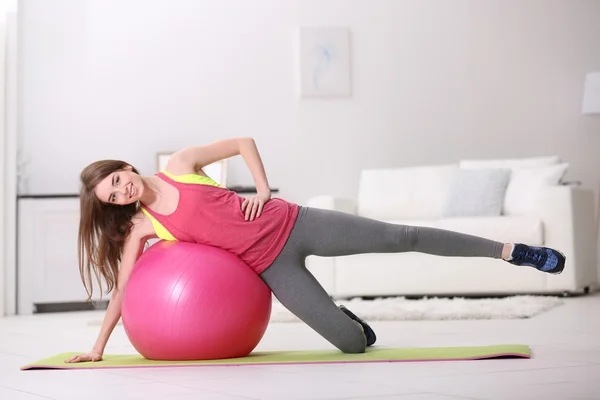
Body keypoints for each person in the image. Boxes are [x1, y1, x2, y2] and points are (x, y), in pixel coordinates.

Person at [65, 137, 566, 363]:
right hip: (271, 268)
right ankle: (347, 319)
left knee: (402, 237)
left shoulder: (180, 163)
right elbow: (122, 291)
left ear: (126, 168)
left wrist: (261, 190)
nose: (120, 192)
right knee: (351, 345)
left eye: (116, 181)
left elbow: (243, 141)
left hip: (298, 223)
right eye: (111, 196)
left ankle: (510, 251)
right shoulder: (144, 228)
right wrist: (97, 347)